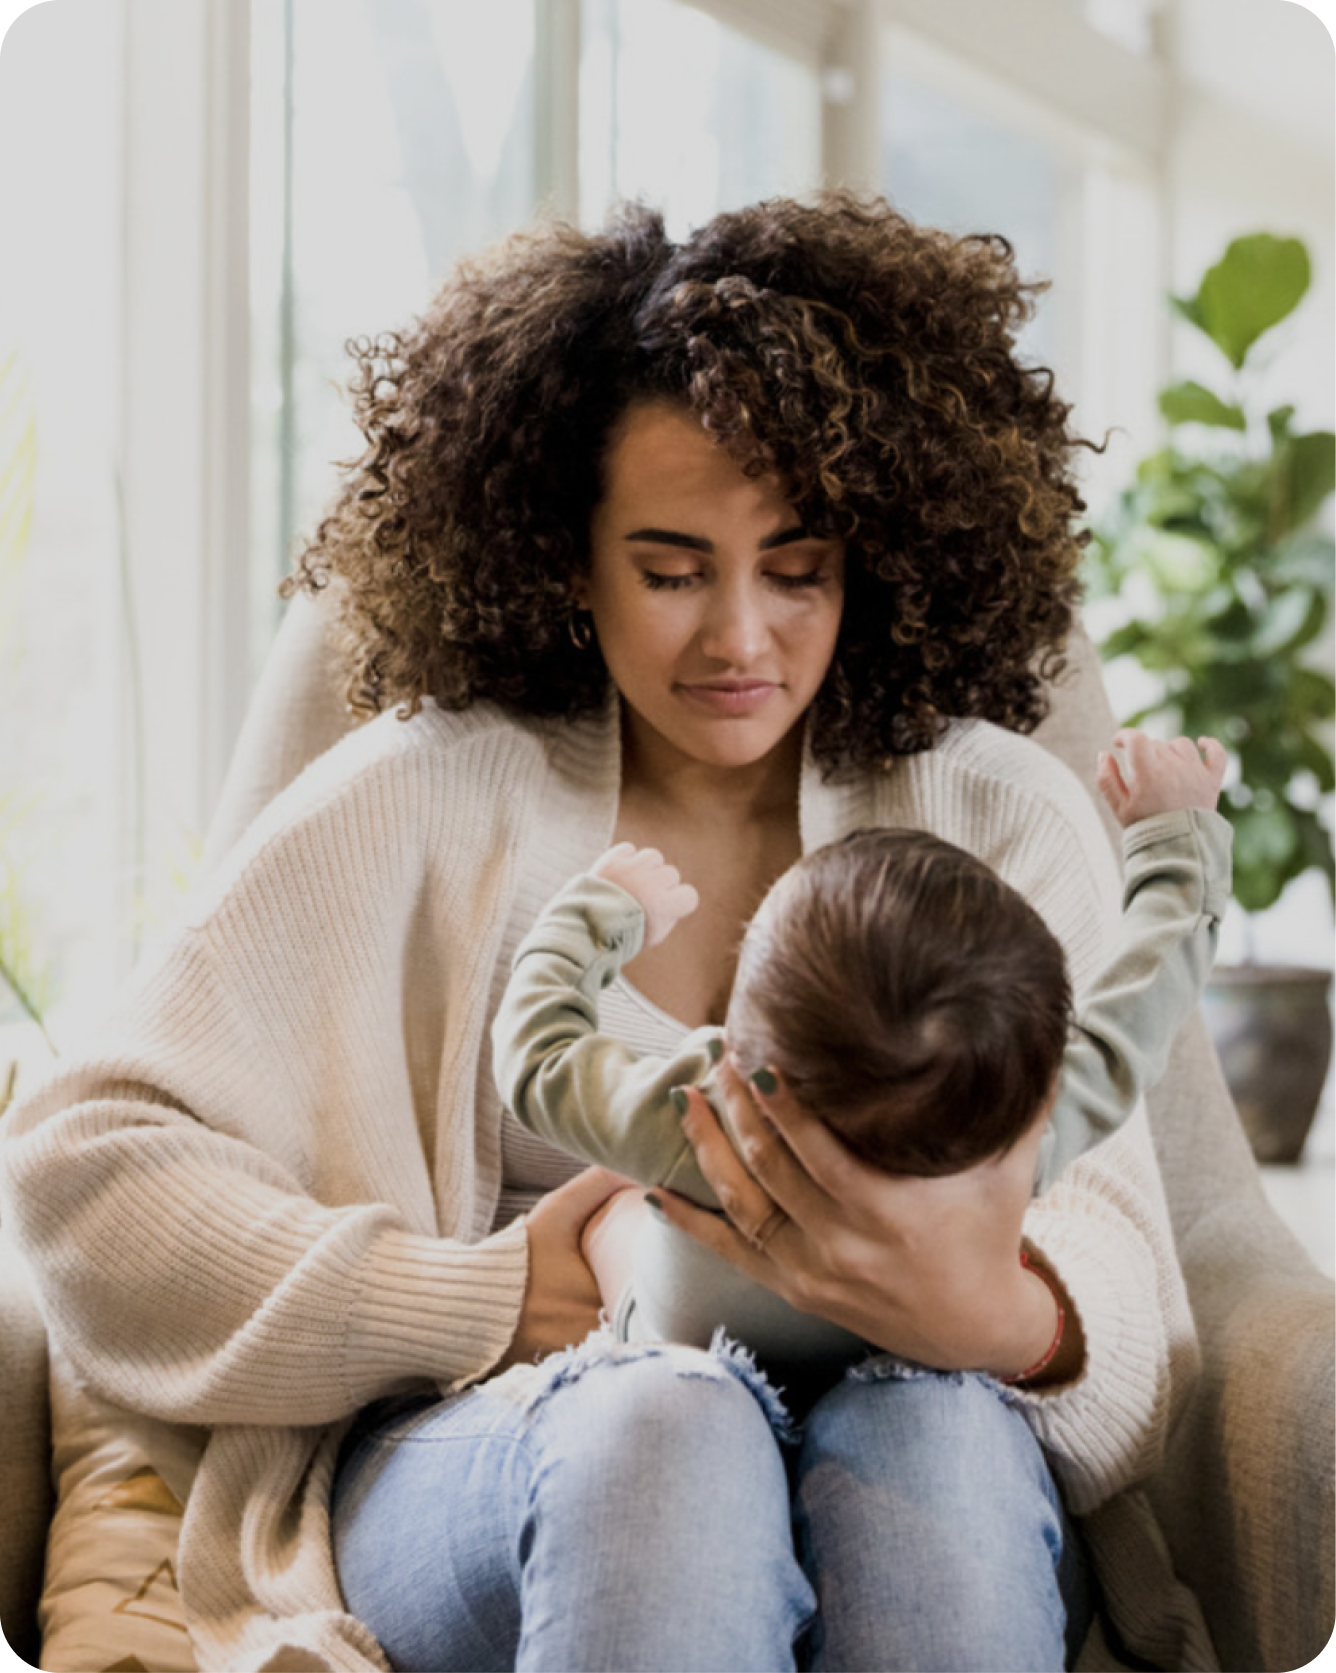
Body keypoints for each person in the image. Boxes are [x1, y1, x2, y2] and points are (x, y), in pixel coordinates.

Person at [0, 192, 1200, 1673]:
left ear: (869, 558)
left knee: (940, 1433)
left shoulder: (1000, 812)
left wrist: (1011, 1319)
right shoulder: (423, 793)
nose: (740, 637)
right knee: (666, 1419)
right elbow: (80, 1166)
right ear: (568, 560)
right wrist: (481, 1293)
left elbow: (1139, 1308)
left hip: (935, 1417)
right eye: (672, 566)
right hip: (516, 1452)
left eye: (798, 566)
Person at [493, 730, 1231, 1377]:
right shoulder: (1013, 1135)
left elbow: (537, 1057)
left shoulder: (704, 1119)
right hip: (895, 1372)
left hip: (693, 1356)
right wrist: (1178, 841)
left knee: (618, 1212)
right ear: (1034, 1071)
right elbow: (1139, 1010)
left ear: (739, 1045)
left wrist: (597, 916)